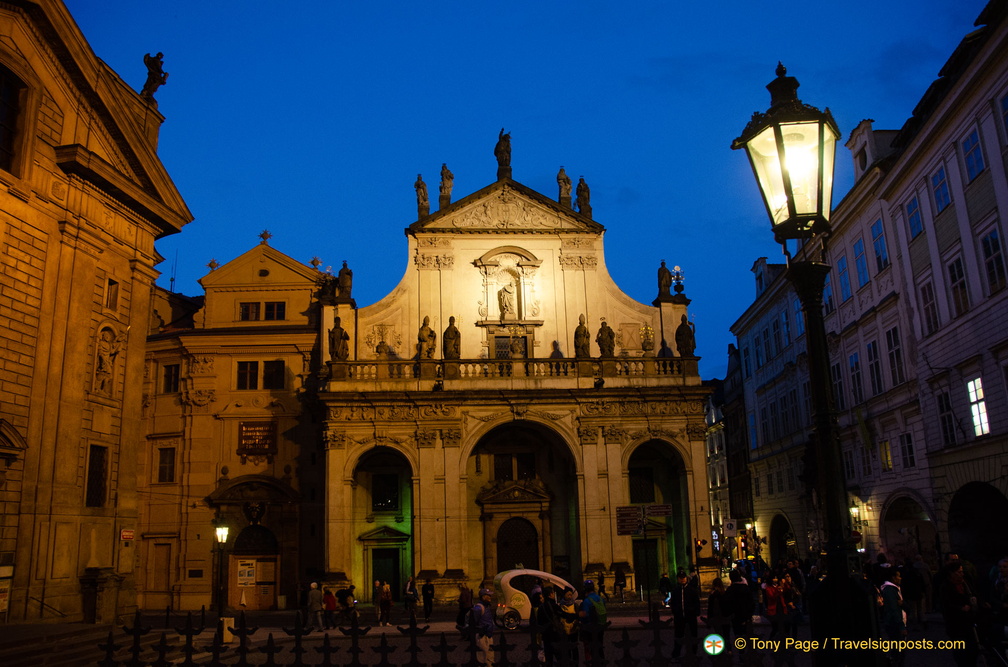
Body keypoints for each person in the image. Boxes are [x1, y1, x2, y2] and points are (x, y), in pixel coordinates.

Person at [941, 562, 980, 667]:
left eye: (962, 572)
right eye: (959, 572)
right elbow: (946, 605)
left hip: (969, 622)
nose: (961, 574)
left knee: (972, 649)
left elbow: (974, 594)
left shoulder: (966, 584)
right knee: (960, 651)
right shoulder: (946, 587)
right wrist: (960, 608)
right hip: (956, 625)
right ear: (952, 573)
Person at [669, 570, 701, 659]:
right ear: (678, 579)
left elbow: (696, 602)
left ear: (686, 578)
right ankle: (677, 653)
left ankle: (694, 653)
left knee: (693, 635)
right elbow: (673, 603)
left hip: (690, 617)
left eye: (683, 578)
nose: (682, 580)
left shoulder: (692, 590)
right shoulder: (675, 591)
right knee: (678, 635)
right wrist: (675, 611)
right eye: (680, 578)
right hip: (679, 617)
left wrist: (695, 612)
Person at [881, 569, 907, 666]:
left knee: (899, 650)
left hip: (896, 622)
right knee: (898, 651)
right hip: (894, 624)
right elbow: (893, 609)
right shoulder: (890, 591)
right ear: (893, 577)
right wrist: (901, 626)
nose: (900, 578)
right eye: (898, 576)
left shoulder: (894, 589)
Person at [578, 579, 606, 663]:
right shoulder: (600, 599)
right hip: (601, 625)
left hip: (590, 628)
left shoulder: (587, 601)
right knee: (600, 647)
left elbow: (584, 614)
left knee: (592, 649)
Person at [726, 569, 755, 642]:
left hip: (735, 616)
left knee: (738, 634)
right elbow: (751, 602)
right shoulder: (746, 588)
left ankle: (740, 650)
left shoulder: (730, 590)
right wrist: (749, 614)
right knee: (746, 633)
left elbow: (727, 604)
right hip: (745, 615)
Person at [536, 585, 561, 666]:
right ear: (550, 594)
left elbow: (539, 623)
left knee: (549, 657)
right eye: (553, 593)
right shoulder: (553, 605)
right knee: (559, 656)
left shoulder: (541, 608)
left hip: (546, 635)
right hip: (554, 634)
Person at [471, 587, 496, 666]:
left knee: (490, 657)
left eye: (490, 596)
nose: (490, 597)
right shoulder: (478, 608)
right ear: (483, 597)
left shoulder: (487, 607)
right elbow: (475, 622)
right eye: (488, 596)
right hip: (482, 635)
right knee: (482, 657)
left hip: (488, 635)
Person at [557, 587, 580, 664]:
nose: (570, 596)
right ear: (564, 595)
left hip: (573, 630)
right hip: (564, 631)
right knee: (567, 649)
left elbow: (578, 616)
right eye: (568, 595)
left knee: (574, 648)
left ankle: (576, 663)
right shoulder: (560, 605)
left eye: (571, 595)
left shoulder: (575, 605)